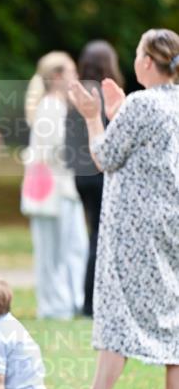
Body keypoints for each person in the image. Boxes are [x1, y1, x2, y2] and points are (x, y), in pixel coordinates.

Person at [58, 29, 179, 389]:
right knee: (171, 305)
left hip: (133, 226)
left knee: (116, 306)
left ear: (148, 61)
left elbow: (104, 156)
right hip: (170, 218)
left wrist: (93, 116)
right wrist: (118, 111)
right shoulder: (171, 101)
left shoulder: (143, 102)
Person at [21, 51, 88, 319]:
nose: (76, 76)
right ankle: (55, 306)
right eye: (72, 71)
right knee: (52, 252)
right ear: (58, 76)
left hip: (64, 190)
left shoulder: (58, 106)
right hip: (52, 192)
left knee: (72, 248)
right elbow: (55, 150)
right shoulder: (50, 106)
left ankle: (72, 300)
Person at [64, 41, 124, 316]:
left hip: (81, 176)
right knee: (101, 238)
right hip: (102, 174)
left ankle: (90, 300)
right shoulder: (107, 97)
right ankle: (92, 301)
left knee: (94, 236)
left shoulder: (77, 96)